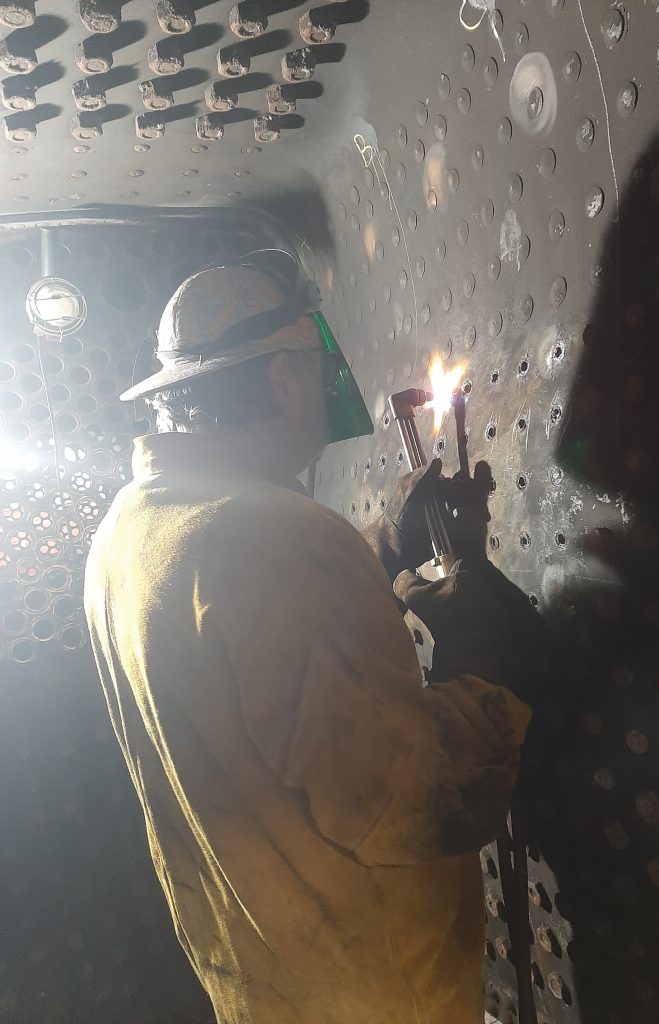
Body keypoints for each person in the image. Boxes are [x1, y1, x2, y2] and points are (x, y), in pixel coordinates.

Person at [84, 249, 532, 1024]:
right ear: (285, 377)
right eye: (313, 372)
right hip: (379, 993)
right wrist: (479, 653)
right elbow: (414, 802)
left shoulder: (131, 531)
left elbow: (249, 645)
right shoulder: (275, 536)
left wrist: (382, 547)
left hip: (271, 980)